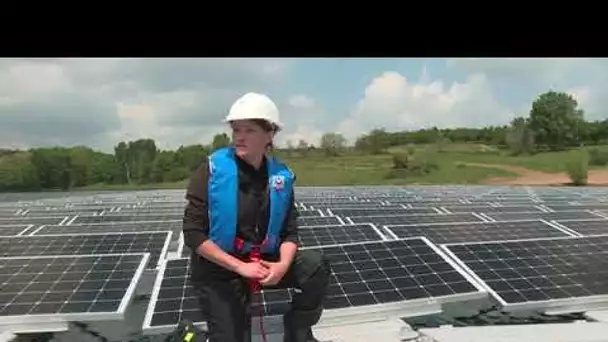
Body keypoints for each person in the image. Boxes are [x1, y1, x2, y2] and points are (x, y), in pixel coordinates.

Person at [182, 92, 331, 342]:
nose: (239, 136)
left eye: (249, 130)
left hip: (263, 260)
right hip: (220, 268)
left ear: (270, 134)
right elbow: (193, 233)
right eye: (236, 129)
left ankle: (298, 332)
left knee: (315, 265)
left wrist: (282, 265)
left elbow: (290, 231)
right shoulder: (211, 171)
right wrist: (241, 267)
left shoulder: (280, 176)